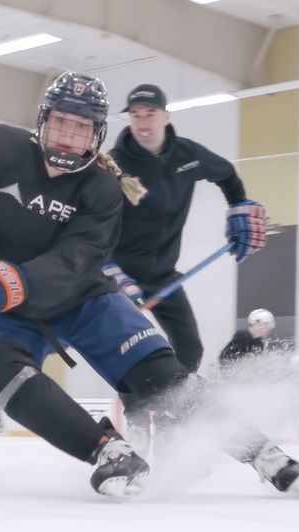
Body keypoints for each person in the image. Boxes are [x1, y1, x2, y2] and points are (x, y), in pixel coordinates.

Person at [0, 71, 299, 498]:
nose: (68, 136)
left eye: (81, 128)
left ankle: (261, 453)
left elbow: (74, 261)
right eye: (62, 122)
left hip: (82, 298)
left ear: (96, 134)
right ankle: (109, 452)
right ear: (43, 120)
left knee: (162, 376)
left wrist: (1, 280)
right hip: (7, 308)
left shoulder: (102, 188)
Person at [103, 83, 266, 419]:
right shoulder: (113, 166)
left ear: (166, 116)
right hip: (120, 276)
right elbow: (91, 223)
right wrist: (106, 269)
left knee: (190, 350)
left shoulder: (188, 156)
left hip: (164, 278)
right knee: (128, 352)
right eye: (136, 116)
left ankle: (169, 413)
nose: (144, 123)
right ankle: (136, 419)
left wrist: (238, 207)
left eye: (150, 114)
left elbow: (227, 175)